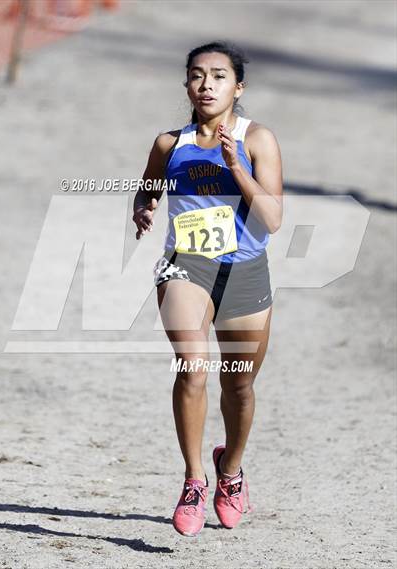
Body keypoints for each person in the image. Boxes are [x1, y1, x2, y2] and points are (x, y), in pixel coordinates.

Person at [133, 41, 283, 537]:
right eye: (197, 75)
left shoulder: (257, 139)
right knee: (192, 370)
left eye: (219, 76)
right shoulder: (167, 144)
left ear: (238, 87)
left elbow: (273, 219)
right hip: (186, 268)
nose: (206, 84)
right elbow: (148, 187)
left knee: (238, 384)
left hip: (244, 273)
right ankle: (194, 479)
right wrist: (144, 208)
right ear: (187, 85)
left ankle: (231, 471)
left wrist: (237, 166)